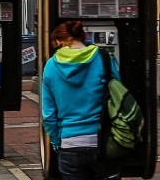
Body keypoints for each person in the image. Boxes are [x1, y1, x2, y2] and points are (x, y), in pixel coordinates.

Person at [41, 20, 121, 180]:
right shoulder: (103, 58)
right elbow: (119, 97)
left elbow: (48, 115)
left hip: (69, 143)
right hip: (103, 141)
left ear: (59, 41)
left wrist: (57, 142)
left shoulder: (50, 66)